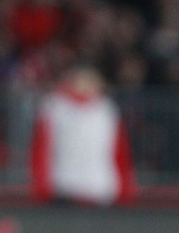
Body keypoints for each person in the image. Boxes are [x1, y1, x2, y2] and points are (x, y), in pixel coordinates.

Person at [30, 65, 135, 205]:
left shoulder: (106, 109)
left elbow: (119, 150)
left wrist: (124, 187)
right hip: (63, 185)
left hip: (100, 186)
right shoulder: (55, 107)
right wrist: (42, 185)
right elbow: (41, 148)